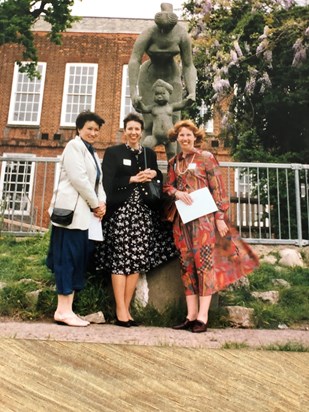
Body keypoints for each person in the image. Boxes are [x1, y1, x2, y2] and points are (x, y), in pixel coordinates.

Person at [163, 120, 259, 333]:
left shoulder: (206, 158)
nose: (185, 138)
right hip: (182, 221)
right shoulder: (173, 162)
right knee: (186, 265)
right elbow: (167, 186)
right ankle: (190, 315)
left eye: (188, 135)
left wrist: (220, 217)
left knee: (204, 265)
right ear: (177, 138)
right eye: (181, 135)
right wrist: (176, 193)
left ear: (195, 137)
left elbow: (218, 189)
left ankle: (202, 317)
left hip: (204, 221)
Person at [95, 112, 177, 327]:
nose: (133, 132)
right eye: (129, 129)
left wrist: (153, 175)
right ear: (125, 131)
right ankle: (120, 311)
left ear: (141, 132)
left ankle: (127, 308)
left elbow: (158, 177)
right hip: (121, 212)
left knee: (137, 261)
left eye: (137, 129)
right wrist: (132, 178)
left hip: (143, 213)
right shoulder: (113, 152)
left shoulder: (149, 153)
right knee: (121, 260)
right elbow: (107, 183)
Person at [46, 111, 106, 327]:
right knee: (66, 260)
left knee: (78, 260)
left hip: (85, 218)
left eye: (97, 130)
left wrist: (102, 203)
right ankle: (62, 310)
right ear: (79, 129)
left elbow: (99, 182)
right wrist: (95, 204)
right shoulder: (74, 147)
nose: (93, 133)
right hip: (71, 216)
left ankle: (68, 310)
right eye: (89, 128)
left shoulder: (92, 153)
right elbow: (79, 179)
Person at [128, 2, 196, 153]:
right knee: (149, 124)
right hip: (148, 76)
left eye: (168, 29)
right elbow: (134, 60)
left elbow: (188, 65)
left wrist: (192, 91)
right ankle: (144, 165)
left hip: (172, 76)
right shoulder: (149, 33)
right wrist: (133, 92)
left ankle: (177, 170)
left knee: (175, 124)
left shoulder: (181, 35)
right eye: (161, 28)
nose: (164, 31)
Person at [135, 79, 189, 159]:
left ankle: (172, 170)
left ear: (168, 94)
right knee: (146, 146)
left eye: (163, 94)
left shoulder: (170, 107)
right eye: (157, 94)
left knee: (171, 153)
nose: (159, 96)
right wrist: (139, 102)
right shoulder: (153, 108)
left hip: (169, 138)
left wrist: (189, 100)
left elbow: (182, 104)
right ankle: (144, 166)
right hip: (155, 137)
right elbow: (144, 109)